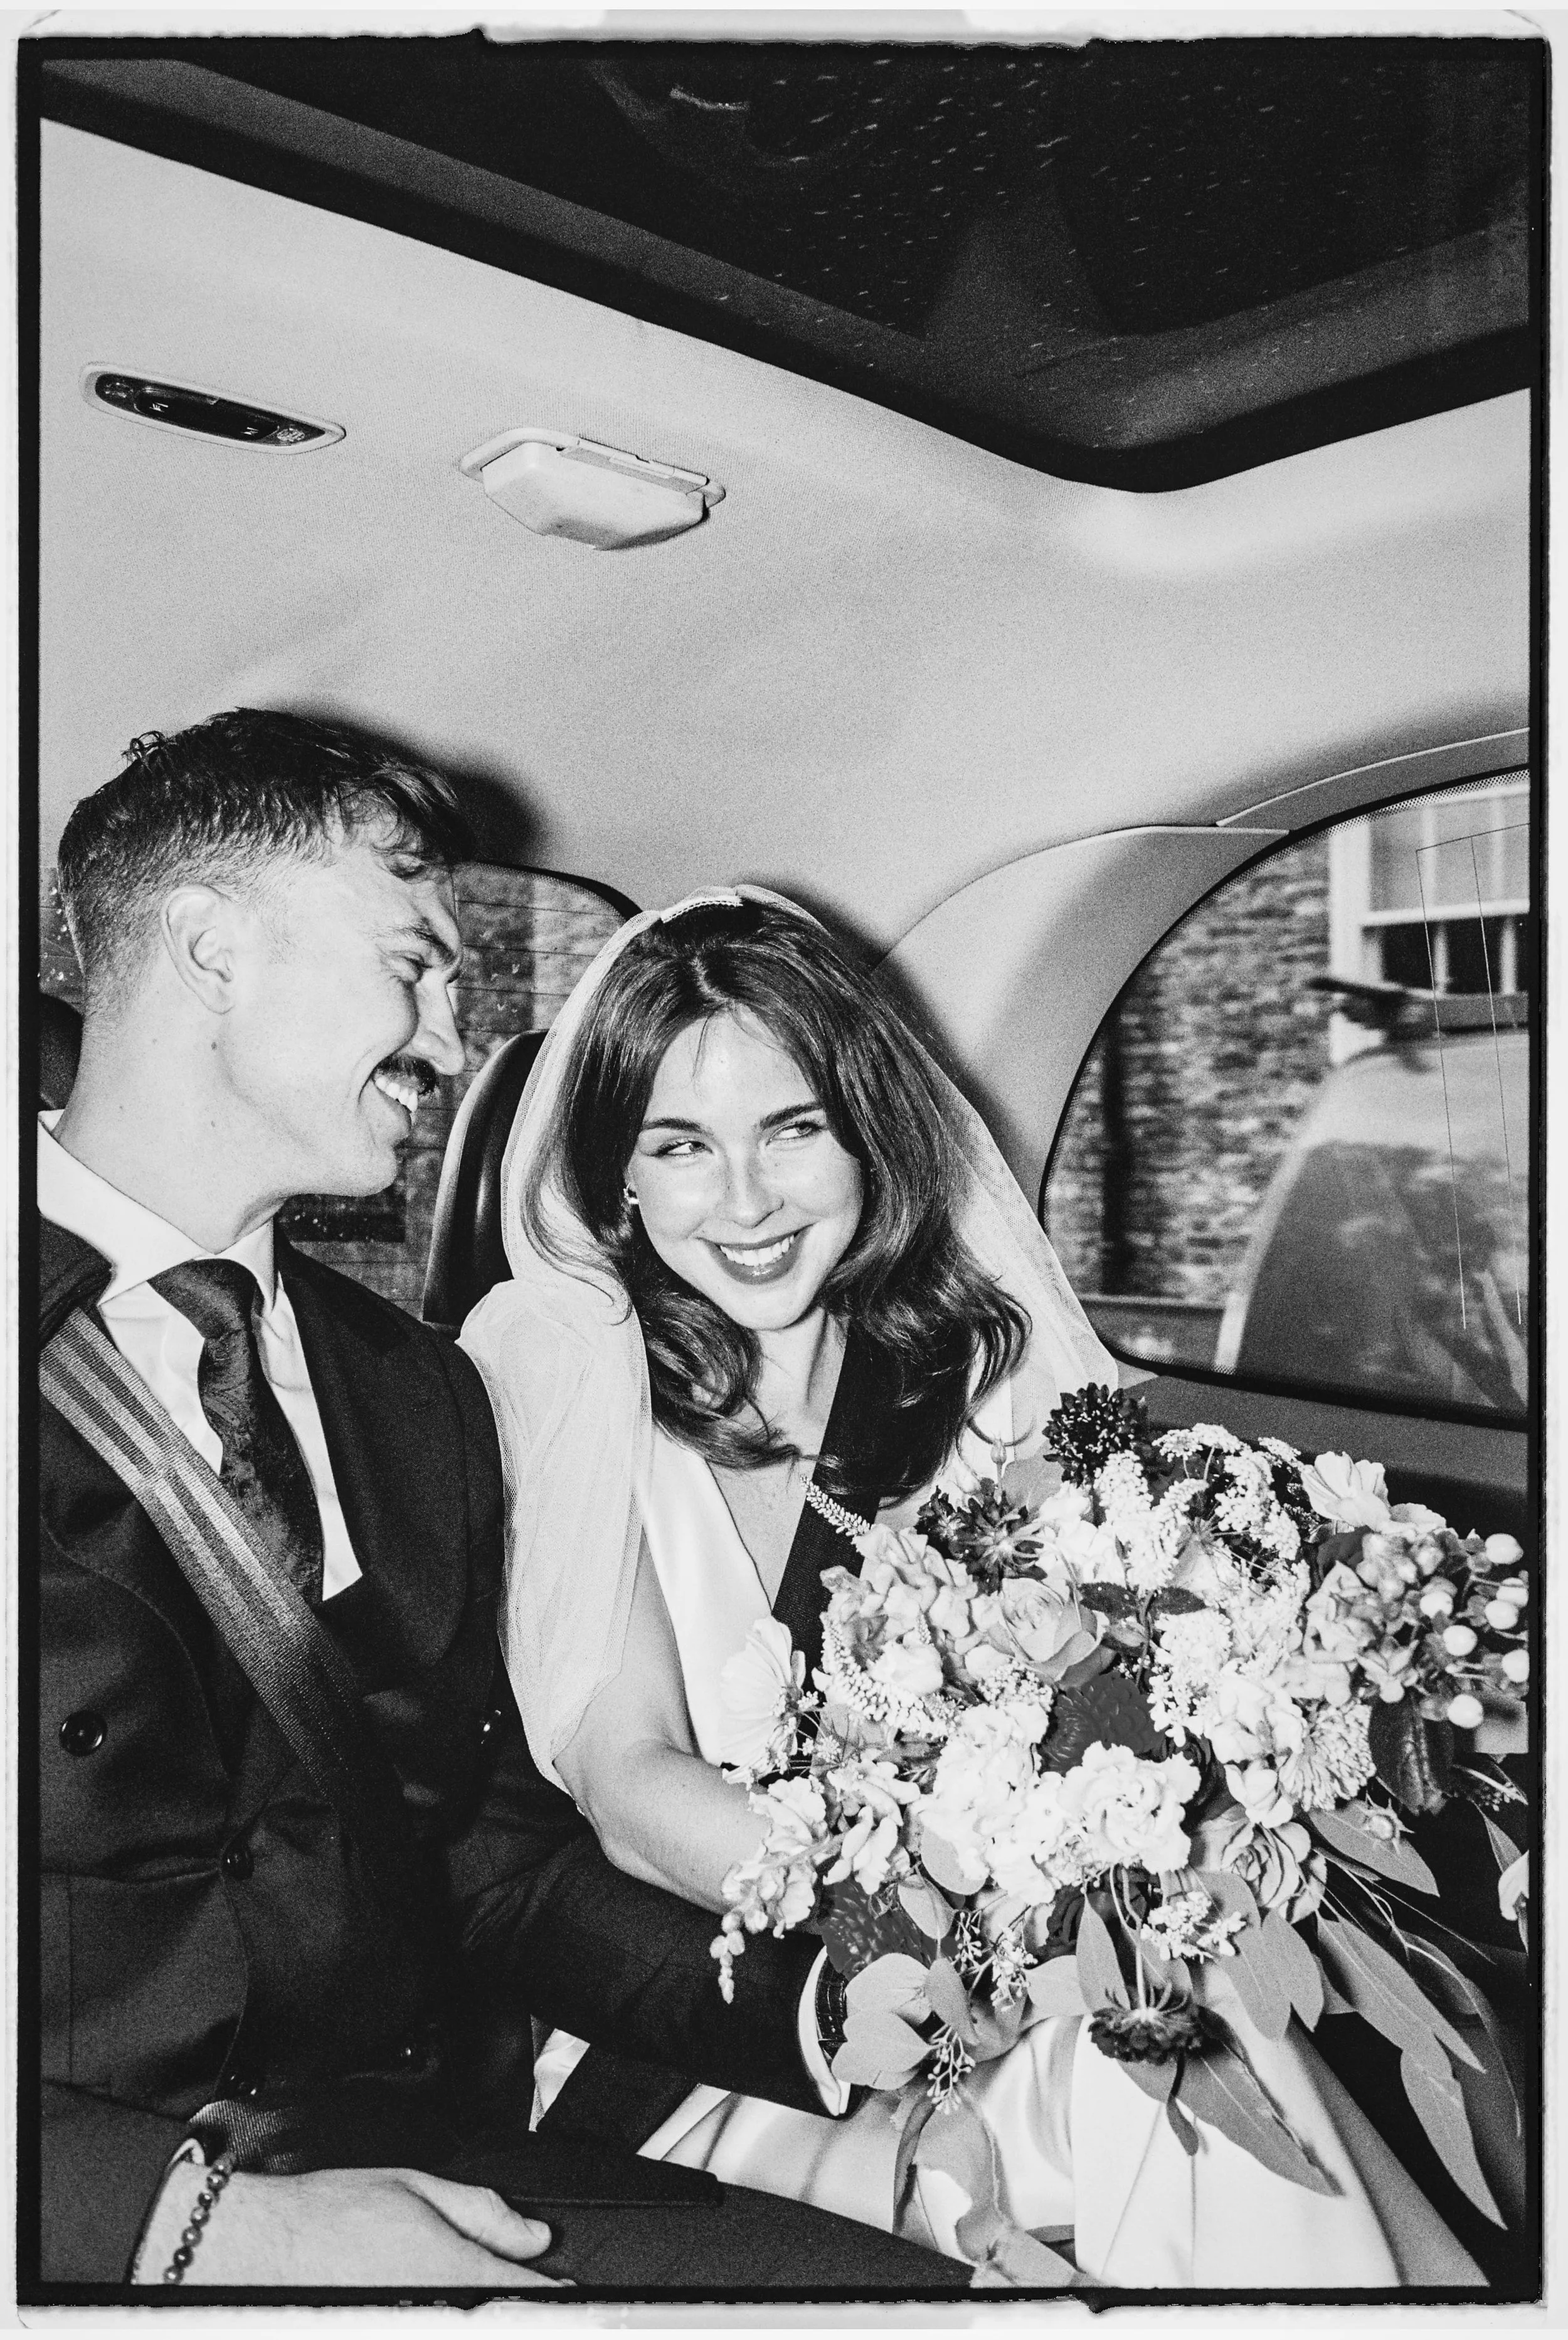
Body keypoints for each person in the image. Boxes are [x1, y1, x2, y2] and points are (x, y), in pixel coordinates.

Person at [29, 717, 975, 2299]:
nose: (452, 1041)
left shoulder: (414, 1391)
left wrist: (804, 2002)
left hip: (429, 2149)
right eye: (414, 965)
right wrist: (197, 2227)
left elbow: (475, 1851)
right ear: (208, 951)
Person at [461, 887, 1486, 2289]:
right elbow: (628, 1781)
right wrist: (934, 1909)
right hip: (716, 2042)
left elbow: (1122, 1665)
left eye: (793, 1128)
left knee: (1179, 2047)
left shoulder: (972, 1384)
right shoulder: (576, 1377)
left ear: (866, 1134)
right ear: (618, 1178)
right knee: (1171, 2081)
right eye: (682, 1146)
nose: (747, 1199)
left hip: (999, 2000)